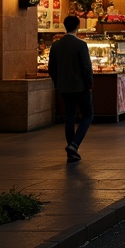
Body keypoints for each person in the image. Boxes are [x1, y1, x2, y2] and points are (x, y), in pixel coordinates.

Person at [48, 14, 94, 163]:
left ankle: (71, 153)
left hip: (64, 87)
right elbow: (86, 67)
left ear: (64, 26)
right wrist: (89, 84)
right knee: (88, 115)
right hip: (80, 87)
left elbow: (51, 68)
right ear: (78, 26)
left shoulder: (56, 45)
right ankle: (74, 145)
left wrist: (58, 82)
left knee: (69, 117)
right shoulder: (81, 45)